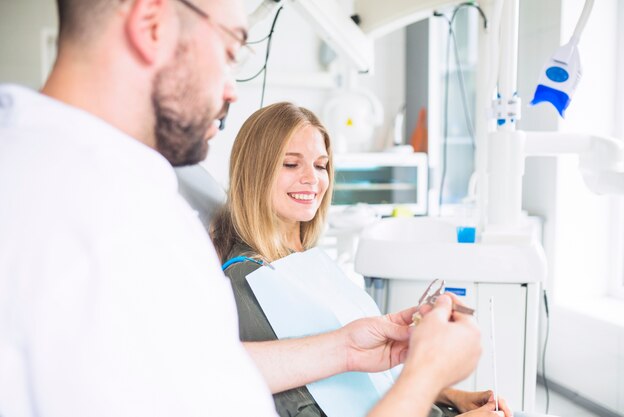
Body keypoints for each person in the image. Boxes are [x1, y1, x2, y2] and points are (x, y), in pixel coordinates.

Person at [0, 1, 481, 416]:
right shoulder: (110, 233)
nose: (231, 91)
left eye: (320, 165)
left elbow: (201, 367)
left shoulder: (61, 179)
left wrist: (346, 349)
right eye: (229, 50)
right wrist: (425, 373)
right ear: (152, 25)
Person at [212, 102, 511, 417]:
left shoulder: (305, 261)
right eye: (290, 164)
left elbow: (360, 378)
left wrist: (451, 396)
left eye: (320, 165)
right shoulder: (250, 279)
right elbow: (305, 408)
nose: (312, 179)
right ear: (255, 171)